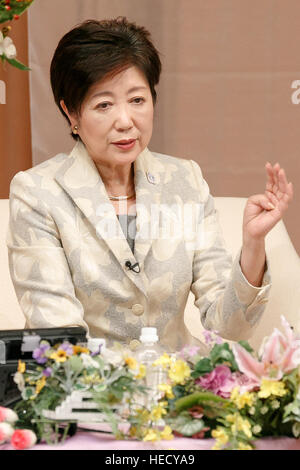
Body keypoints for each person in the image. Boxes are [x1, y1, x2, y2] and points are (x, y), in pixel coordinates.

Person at [7, 18, 293, 353]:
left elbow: (229, 325)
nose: (126, 120)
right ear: (71, 113)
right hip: (87, 392)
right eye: (104, 105)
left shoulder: (185, 180)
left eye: (137, 100)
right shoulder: (38, 192)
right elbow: (59, 336)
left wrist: (253, 244)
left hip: (180, 386)